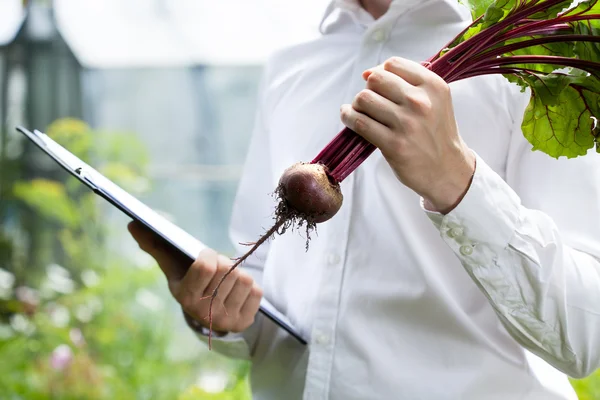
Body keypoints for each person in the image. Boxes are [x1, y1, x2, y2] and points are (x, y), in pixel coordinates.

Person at [128, 0, 600, 398]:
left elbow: (584, 335)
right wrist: (220, 311)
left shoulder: (529, 59)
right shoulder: (292, 63)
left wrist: (456, 180)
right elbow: (261, 275)